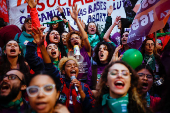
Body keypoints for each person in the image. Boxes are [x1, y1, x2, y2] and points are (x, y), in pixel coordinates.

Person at [25, 26, 95, 113]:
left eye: (75, 65)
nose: (73, 67)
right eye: (69, 65)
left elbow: (91, 109)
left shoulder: (85, 87)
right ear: (63, 71)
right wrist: (42, 45)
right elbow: (49, 66)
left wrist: (81, 92)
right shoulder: (59, 83)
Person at [67, 4, 92, 86]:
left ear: (81, 40)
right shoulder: (70, 53)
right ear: (70, 42)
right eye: (72, 39)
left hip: (87, 80)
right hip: (76, 81)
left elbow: (85, 37)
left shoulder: (86, 49)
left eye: (77, 38)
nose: (75, 39)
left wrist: (76, 20)